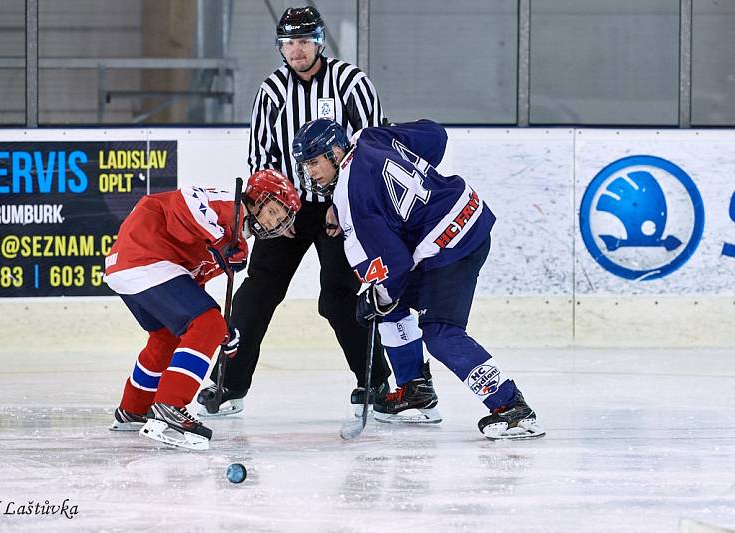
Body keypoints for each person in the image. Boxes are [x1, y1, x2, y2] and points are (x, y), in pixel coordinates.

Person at [291, 118, 545, 440]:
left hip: (451, 244)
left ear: (336, 151)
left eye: (314, 162)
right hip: (464, 213)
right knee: (389, 305)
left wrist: (379, 299)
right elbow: (435, 136)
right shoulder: (369, 137)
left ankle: (512, 408)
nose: (311, 173)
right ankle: (415, 390)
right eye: (306, 166)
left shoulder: (351, 194)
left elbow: (393, 265)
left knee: (438, 331)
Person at [199, 6, 391, 417]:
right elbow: (261, 160)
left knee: (338, 298)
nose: (296, 50)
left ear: (319, 41)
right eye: (289, 43)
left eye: (303, 41)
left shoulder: (351, 84)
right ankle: (228, 384)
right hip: (288, 208)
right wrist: (271, 215)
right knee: (257, 292)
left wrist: (343, 205)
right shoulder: (271, 91)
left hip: (340, 207)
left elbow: (371, 149)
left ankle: (375, 382)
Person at [105, 170, 301, 450]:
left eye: (280, 219)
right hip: (145, 254)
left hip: (129, 266)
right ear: (256, 199)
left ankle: (133, 408)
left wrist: (221, 327)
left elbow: (190, 281)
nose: (273, 222)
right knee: (207, 325)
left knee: (167, 337)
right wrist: (221, 242)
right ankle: (171, 405)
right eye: (272, 211)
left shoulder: (238, 241)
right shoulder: (230, 207)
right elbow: (186, 199)